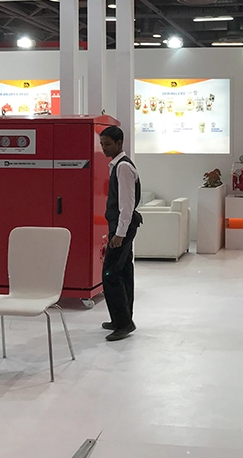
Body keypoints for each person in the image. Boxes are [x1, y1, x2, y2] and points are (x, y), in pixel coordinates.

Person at [99, 126, 142, 341]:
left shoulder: (123, 167)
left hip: (122, 228)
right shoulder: (118, 165)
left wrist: (119, 233)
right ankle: (121, 318)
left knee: (110, 274)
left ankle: (124, 322)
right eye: (102, 144)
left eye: (107, 144)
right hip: (121, 226)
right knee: (124, 271)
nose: (104, 148)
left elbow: (127, 204)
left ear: (119, 143)